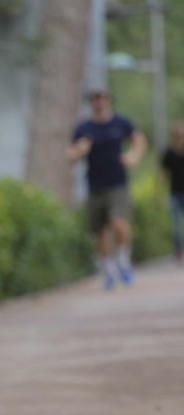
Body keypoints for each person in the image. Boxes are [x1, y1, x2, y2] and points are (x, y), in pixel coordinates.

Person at [68, 88, 147, 290]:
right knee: (100, 232)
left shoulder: (121, 123)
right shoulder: (84, 128)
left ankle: (124, 262)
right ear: (91, 103)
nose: (99, 102)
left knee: (119, 223)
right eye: (95, 99)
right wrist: (80, 150)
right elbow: (70, 157)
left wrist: (133, 157)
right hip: (95, 185)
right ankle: (110, 271)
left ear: (108, 101)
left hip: (118, 184)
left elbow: (139, 141)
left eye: (102, 98)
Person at [160, 123, 184, 263]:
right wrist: (158, 194)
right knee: (175, 226)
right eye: (178, 135)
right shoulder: (169, 153)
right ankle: (179, 251)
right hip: (174, 194)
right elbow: (163, 174)